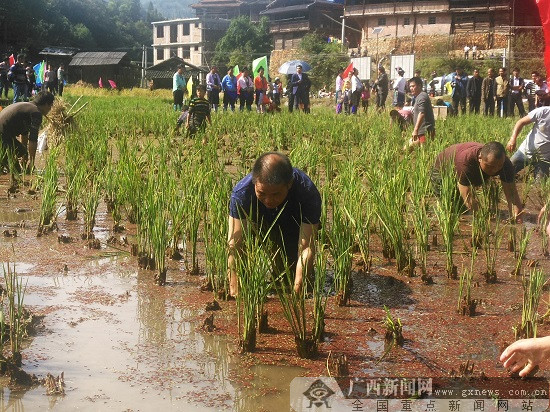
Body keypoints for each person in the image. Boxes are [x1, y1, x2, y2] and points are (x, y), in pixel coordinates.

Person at [227, 152, 321, 297]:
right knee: (242, 275)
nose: (269, 200)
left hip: (292, 220)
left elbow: (306, 246)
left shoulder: (307, 192)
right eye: (262, 193)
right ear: (254, 182)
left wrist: (298, 290)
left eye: (276, 194)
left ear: (289, 184)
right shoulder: (241, 194)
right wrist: (235, 291)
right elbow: (235, 244)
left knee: (288, 274)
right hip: (257, 221)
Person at [432, 141, 523, 219]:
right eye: (491, 166)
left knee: (464, 207)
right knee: (455, 208)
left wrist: (517, 212)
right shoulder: (465, 161)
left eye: (499, 166)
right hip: (442, 170)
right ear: (480, 158)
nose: (496, 170)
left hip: (471, 170)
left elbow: (512, 192)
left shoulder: (505, 164)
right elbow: (468, 198)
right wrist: (482, 219)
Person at [0, 91, 55, 172]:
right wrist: (32, 162)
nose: (50, 109)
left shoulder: (27, 107)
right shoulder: (36, 113)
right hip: (3, 138)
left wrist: (25, 155)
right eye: (50, 106)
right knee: (16, 171)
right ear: (46, 104)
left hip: (5, 137)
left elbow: (24, 134)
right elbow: (33, 139)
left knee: (22, 152)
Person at [506, 106, 550, 178]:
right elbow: (521, 122)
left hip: (544, 158)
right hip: (525, 151)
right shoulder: (543, 111)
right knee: (506, 172)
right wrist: (513, 139)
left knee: (539, 185)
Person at [408, 76, 435, 149]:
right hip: (421, 131)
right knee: (407, 149)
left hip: (424, 131)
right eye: (410, 86)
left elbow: (422, 113)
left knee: (424, 154)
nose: (411, 88)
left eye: (413, 86)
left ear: (419, 86)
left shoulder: (422, 96)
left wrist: (415, 130)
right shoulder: (419, 97)